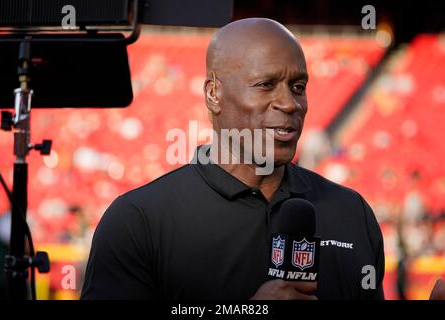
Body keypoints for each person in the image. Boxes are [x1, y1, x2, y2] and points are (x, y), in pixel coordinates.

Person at [81, 18, 386, 300]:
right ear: (214, 93)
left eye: (298, 87)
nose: (290, 103)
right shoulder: (137, 221)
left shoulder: (352, 213)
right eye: (266, 85)